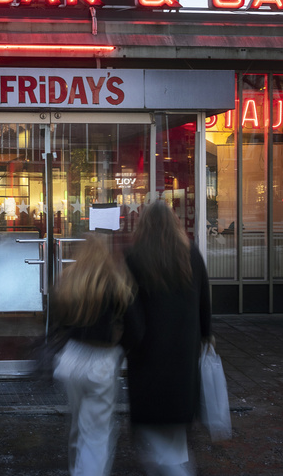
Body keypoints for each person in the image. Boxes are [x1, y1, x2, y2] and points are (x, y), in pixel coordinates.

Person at [122, 200, 213, 476]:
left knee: (154, 427)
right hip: (183, 350)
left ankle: (173, 469)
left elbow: (131, 311)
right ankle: (175, 465)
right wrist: (206, 336)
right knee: (175, 423)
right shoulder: (191, 255)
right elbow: (204, 302)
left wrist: (127, 346)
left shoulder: (135, 257)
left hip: (149, 354)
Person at [50, 235, 133, 476]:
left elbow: (57, 321)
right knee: (96, 432)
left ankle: (78, 469)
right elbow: (134, 327)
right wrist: (120, 349)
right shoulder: (115, 283)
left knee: (79, 423)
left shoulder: (67, 280)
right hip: (101, 360)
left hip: (71, 360)